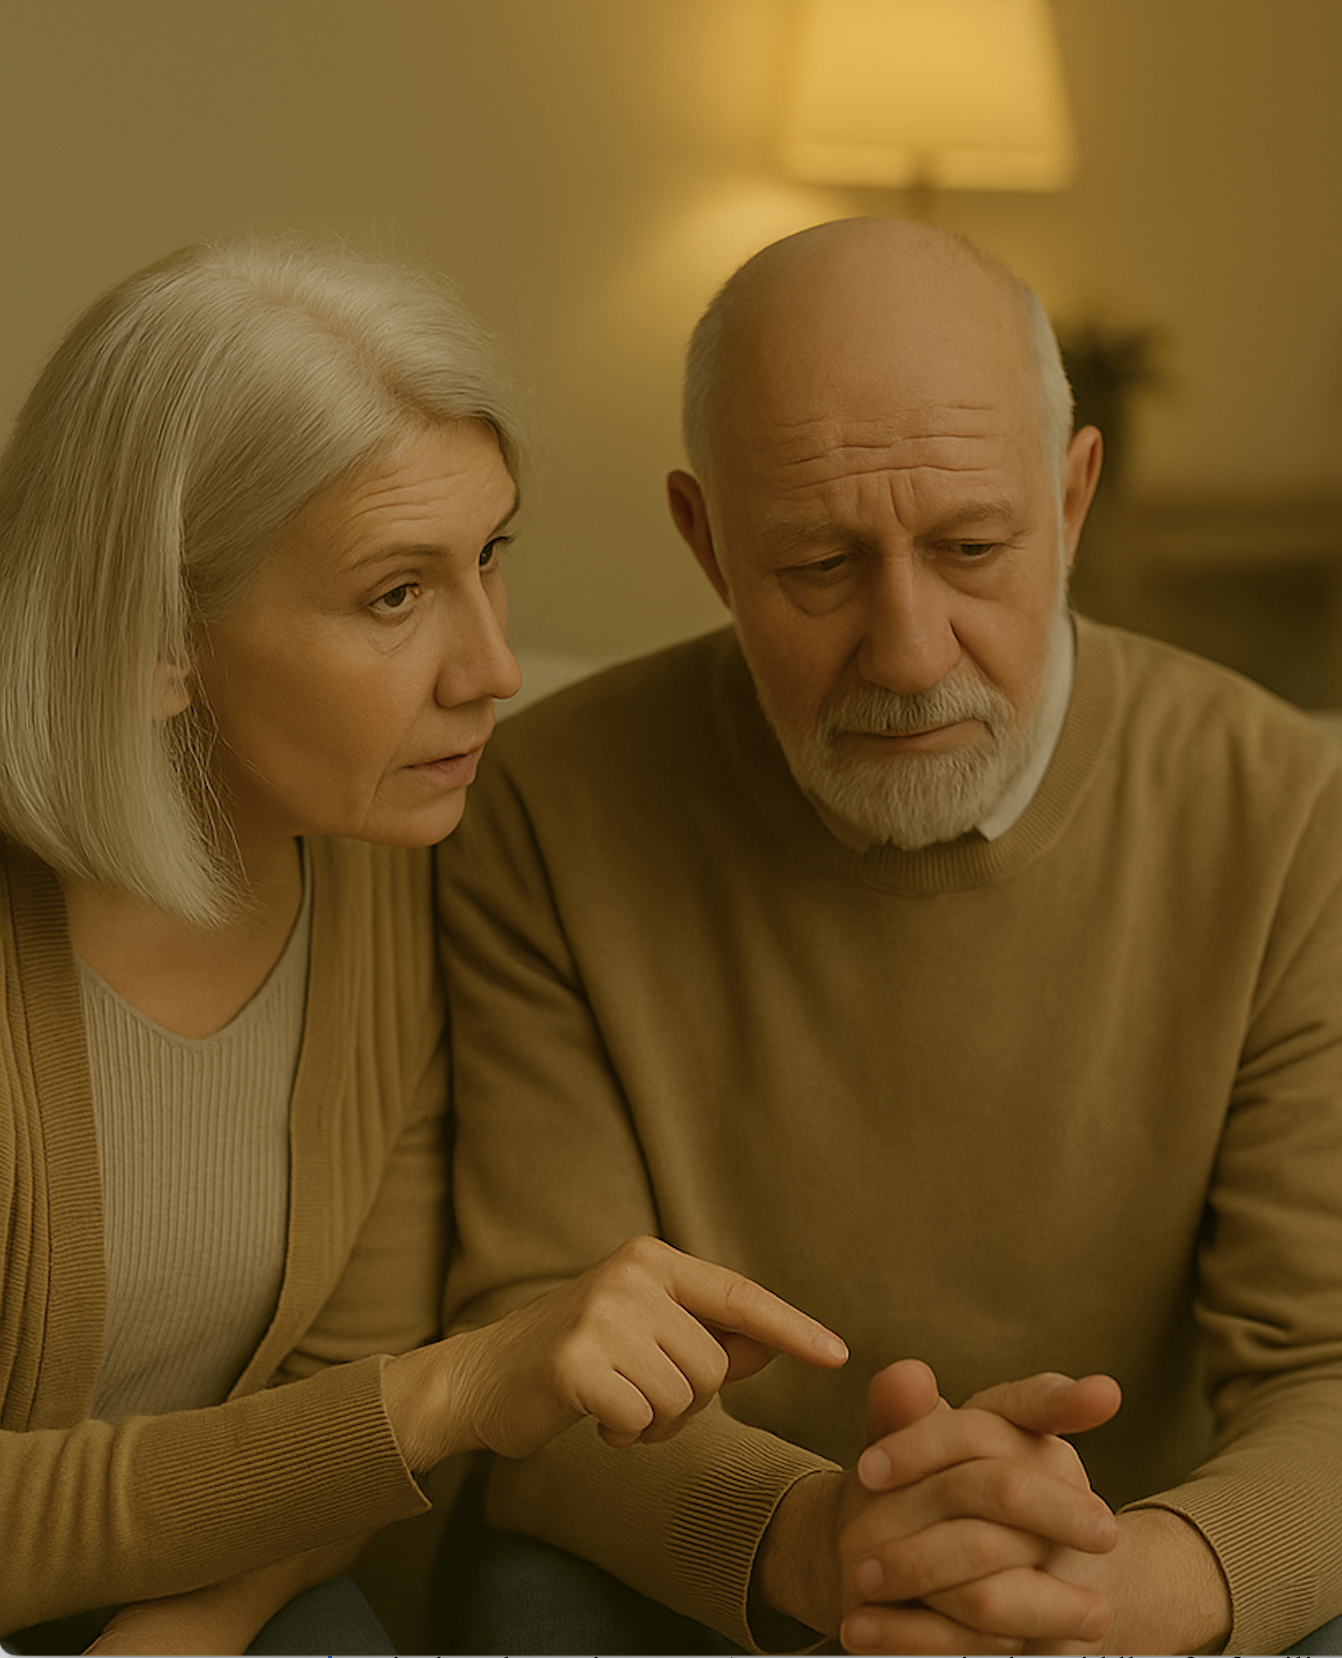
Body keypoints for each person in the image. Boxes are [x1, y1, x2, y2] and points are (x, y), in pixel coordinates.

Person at [438, 217, 1342, 1655]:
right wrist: (817, 1544)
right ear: (705, 541)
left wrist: (1131, 1587)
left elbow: (1326, 1369)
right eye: (816, 564)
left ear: (1074, 498)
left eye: (973, 547)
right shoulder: (536, 814)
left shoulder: (1289, 816)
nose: (910, 649)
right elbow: (538, 1355)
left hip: (1140, 1554)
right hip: (716, 1564)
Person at [0, 239, 849, 1657]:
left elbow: (337, 1413)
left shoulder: (402, 875)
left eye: (489, 558)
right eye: (395, 594)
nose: (494, 667)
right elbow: (393, 1406)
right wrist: (448, 1394)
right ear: (152, 635)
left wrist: (188, 1636)